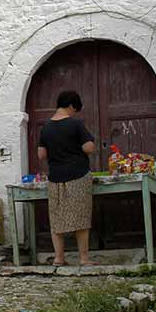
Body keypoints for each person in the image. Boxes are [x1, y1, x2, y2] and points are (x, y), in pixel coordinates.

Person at [37, 90, 97, 266]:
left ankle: (58, 258)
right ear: (71, 105)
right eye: (75, 109)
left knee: (57, 219)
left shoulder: (46, 127)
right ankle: (84, 259)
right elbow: (88, 148)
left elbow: (41, 154)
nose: (74, 112)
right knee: (81, 218)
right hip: (78, 174)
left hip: (55, 177)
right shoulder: (76, 124)